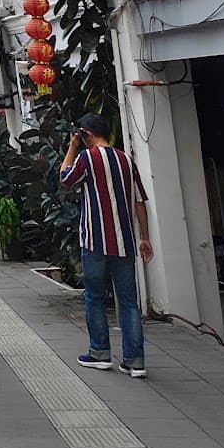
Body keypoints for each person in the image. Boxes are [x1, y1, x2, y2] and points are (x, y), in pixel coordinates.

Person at [61, 113, 153, 378]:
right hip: (124, 242)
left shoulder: (87, 158)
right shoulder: (126, 159)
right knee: (129, 302)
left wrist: (71, 147)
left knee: (94, 297)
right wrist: (144, 237)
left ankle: (100, 352)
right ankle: (135, 360)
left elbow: (65, 178)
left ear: (86, 134)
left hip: (94, 241)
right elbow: (139, 200)